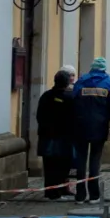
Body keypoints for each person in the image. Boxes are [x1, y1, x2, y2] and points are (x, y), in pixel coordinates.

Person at [71, 57, 110, 202]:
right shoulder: (109, 82)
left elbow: (74, 100)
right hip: (99, 125)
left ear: (92, 67)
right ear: (104, 68)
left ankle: (80, 195)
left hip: (80, 124)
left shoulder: (81, 81)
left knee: (81, 160)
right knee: (95, 160)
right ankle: (94, 195)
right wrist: (105, 119)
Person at [36, 70, 75, 199]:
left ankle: (51, 190)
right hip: (63, 137)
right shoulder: (69, 97)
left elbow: (39, 116)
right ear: (66, 83)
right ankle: (58, 190)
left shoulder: (46, 96)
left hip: (48, 136)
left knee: (50, 165)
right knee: (63, 164)